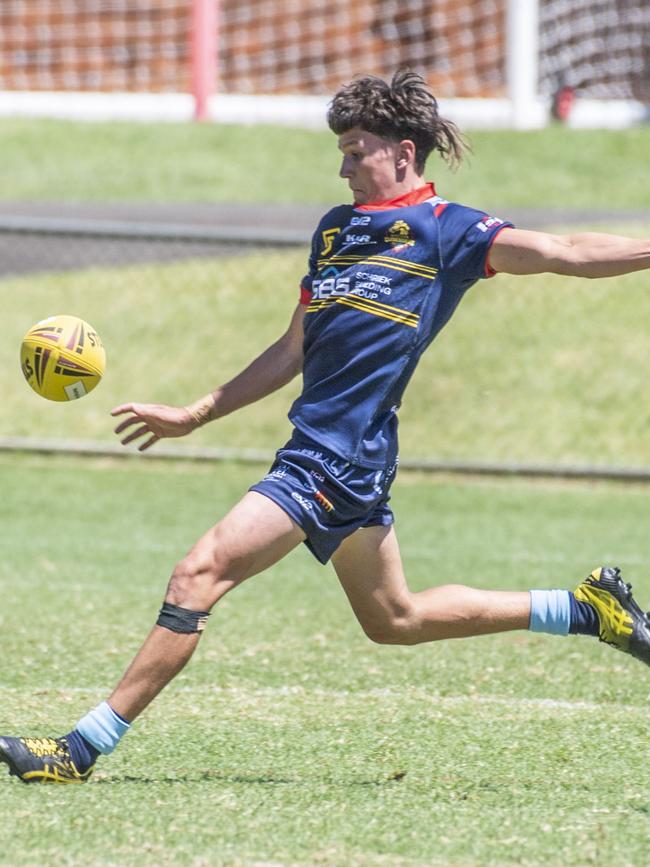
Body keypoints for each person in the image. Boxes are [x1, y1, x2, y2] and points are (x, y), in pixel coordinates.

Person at [2, 69, 649, 784]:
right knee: (394, 618)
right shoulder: (334, 232)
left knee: (198, 573)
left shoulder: (448, 232)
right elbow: (291, 350)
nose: (342, 166)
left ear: (403, 153)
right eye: (340, 151)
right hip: (338, 454)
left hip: (333, 461)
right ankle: (584, 610)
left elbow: (565, 253)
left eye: (356, 150)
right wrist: (197, 411)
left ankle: (79, 748)